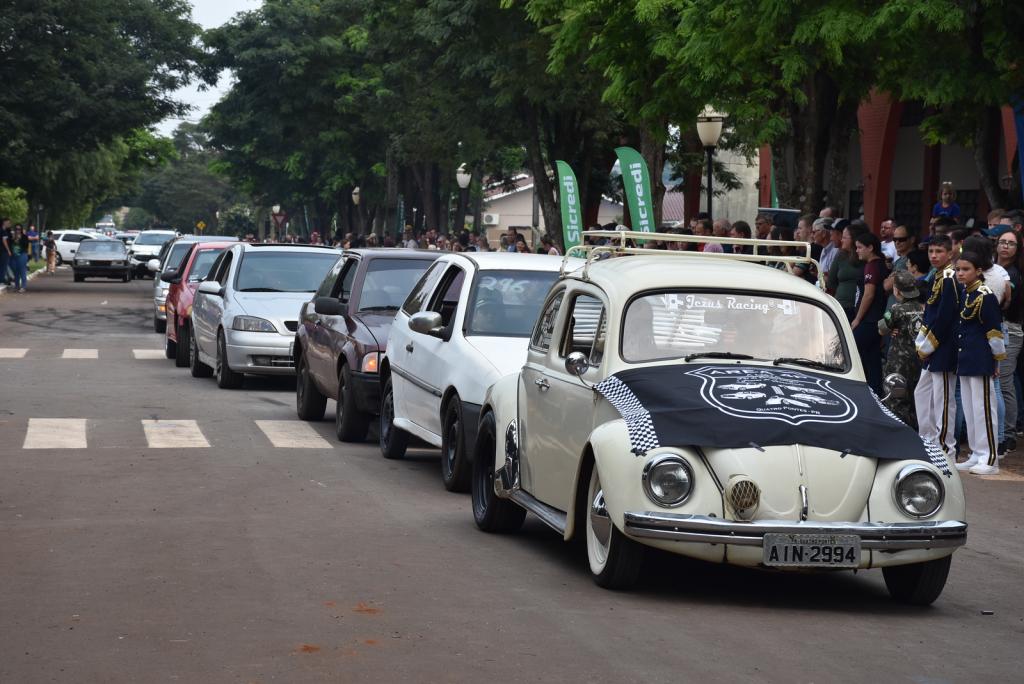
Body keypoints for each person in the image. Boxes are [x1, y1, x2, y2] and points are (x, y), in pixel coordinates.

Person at [953, 250, 1005, 475]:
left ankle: (990, 458)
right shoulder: (967, 294)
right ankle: (976, 453)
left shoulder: (986, 296)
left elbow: (994, 331)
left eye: (965, 269)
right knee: (971, 408)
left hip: (982, 359)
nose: (960, 273)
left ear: (979, 271)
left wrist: (997, 359)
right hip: (966, 357)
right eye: (958, 269)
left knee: (984, 409)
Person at [915, 234, 961, 457]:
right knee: (922, 393)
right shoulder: (937, 276)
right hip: (932, 344)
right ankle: (927, 439)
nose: (934, 256)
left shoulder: (950, 277)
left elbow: (946, 315)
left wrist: (929, 345)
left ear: (950, 252)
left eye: (939, 251)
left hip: (944, 346)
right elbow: (930, 313)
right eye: (931, 252)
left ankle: (945, 447)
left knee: (943, 399)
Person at [879, 270, 925, 427]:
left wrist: (891, 328)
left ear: (896, 290)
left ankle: (898, 433)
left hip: (898, 362)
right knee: (915, 399)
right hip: (919, 361)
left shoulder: (896, 309)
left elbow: (881, 328)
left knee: (895, 399)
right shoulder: (922, 308)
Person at [995, 227, 1024, 452]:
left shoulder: (1013, 273)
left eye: (1011, 243)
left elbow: (1002, 302)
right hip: (995, 330)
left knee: (1004, 382)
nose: (1005, 246)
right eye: (1002, 241)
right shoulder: (993, 269)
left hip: (1010, 331)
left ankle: (1008, 434)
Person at [852, 232, 890, 394]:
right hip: (875, 319)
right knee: (872, 358)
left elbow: (869, 294)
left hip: (868, 320)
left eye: (860, 247)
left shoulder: (872, 266)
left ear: (870, 248)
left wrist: (857, 319)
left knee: (850, 352)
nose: (857, 251)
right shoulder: (880, 264)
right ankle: (875, 392)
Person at [827, 225, 864, 320]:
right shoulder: (840, 255)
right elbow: (831, 282)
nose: (841, 240)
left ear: (854, 239)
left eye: (844, 237)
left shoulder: (864, 257)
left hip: (859, 308)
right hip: (840, 306)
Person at [9, 224, 30, 292]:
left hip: (22, 255)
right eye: (16, 229)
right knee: (16, 271)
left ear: (21, 230)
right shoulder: (12, 237)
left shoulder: (24, 237)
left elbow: (26, 245)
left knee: (22, 270)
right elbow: (9, 244)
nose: (18, 230)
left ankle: (23, 286)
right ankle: (17, 286)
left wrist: (19, 239)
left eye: (19, 229)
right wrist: (13, 239)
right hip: (14, 255)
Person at [0, 217, 11, 286]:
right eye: (8, 223)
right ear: (4, 222)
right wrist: (8, 250)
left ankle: (2, 278)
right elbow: (4, 241)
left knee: (1, 265)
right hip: (4, 251)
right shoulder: (3, 231)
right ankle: (2, 279)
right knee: (4, 265)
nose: (9, 224)